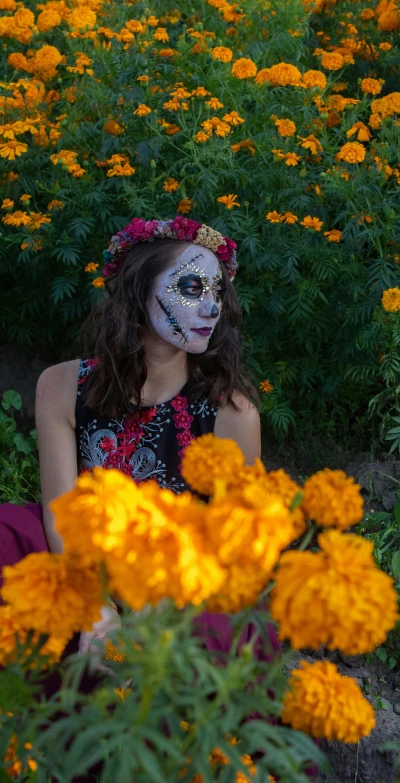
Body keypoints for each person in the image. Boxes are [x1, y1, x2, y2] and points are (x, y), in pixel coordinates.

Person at [0, 215, 269, 665]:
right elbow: (62, 517)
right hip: (83, 564)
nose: (211, 308)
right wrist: (96, 607)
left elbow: (233, 552)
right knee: (8, 532)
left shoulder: (231, 414)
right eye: (190, 288)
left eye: (217, 292)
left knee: (226, 628)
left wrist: (149, 617)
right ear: (137, 292)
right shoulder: (62, 386)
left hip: (179, 589)